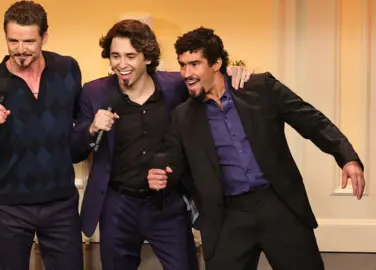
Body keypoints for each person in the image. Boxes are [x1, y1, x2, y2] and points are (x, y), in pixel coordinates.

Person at [147, 27, 366, 270]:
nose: (186, 73)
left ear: (216, 63)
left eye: (195, 64)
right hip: (227, 216)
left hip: (279, 205)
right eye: (183, 65)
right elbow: (172, 156)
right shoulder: (183, 116)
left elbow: (312, 121)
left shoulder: (261, 88)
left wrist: (347, 158)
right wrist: (162, 170)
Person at [71, 20, 250, 270]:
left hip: (167, 203)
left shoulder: (175, 86)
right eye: (115, 56)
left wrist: (235, 72)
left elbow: (210, 79)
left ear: (147, 57)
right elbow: (74, 150)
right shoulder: (94, 92)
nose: (121, 65)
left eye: (131, 56)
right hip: (117, 205)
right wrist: (91, 128)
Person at [0, 1, 83, 269]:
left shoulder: (68, 70)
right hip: (10, 207)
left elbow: (79, 124)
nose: (20, 50)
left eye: (29, 41)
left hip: (61, 202)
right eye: (13, 41)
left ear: (44, 38)